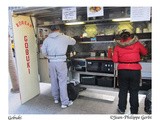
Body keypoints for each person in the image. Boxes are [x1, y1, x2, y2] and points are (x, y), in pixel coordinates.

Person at [112, 29, 148, 114]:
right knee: (134, 91)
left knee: (123, 90)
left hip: (122, 71)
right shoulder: (137, 43)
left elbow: (115, 60)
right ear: (130, 36)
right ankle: (134, 111)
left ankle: (121, 109)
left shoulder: (118, 46)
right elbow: (145, 52)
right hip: (135, 70)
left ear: (121, 37)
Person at [41, 25, 76, 108]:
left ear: (51, 30)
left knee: (53, 80)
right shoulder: (64, 37)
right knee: (62, 81)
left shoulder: (47, 39)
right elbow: (74, 41)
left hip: (51, 62)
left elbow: (43, 51)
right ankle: (64, 103)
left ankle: (56, 99)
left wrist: (48, 56)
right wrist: (66, 36)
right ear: (59, 29)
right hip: (61, 62)